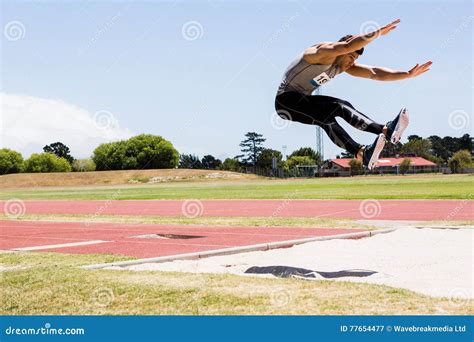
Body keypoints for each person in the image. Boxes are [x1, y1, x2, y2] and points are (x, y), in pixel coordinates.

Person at [275, 19, 432, 169]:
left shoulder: (344, 66)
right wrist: (376, 34)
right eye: (351, 56)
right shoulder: (320, 53)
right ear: (342, 52)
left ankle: (381, 136)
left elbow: (374, 73)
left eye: (355, 59)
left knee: (340, 106)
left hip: (303, 100)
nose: (352, 62)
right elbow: (345, 46)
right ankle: (366, 148)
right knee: (324, 117)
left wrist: (407, 74)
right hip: (285, 102)